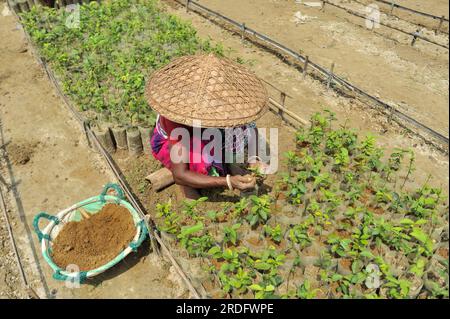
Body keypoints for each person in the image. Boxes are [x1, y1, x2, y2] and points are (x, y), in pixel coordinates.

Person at [145, 54, 269, 199]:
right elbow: (180, 174)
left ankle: (223, 162)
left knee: (242, 129)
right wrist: (228, 181)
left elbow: (249, 126)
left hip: (202, 132)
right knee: (198, 162)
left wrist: (253, 160)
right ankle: (187, 186)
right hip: (176, 144)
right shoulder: (177, 122)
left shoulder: (220, 108)